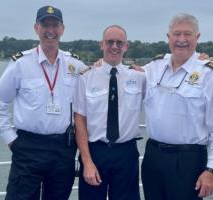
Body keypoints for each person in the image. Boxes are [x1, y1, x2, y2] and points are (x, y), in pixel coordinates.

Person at [0, 5, 88, 200]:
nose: (50, 31)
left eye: (55, 25)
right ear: (36, 28)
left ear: (62, 29)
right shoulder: (21, 64)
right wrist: (11, 139)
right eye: (45, 25)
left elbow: (96, 83)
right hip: (28, 148)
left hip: (63, 148)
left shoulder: (75, 65)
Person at [141, 13, 213, 200]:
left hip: (188, 160)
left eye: (187, 34)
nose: (181, 40)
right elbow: (126, 75)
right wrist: (102, 64)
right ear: (168, 37)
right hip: (153, 156)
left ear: (197, 37)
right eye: (177, 34)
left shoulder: (210, 73)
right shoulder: (154, 67)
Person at [74, 25, 145, 200]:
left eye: (119, 43)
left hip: (126, 153)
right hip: (96, 152)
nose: (114, 46)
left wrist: (199, 57)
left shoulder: (140, 77)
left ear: (126, 46)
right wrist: (87, 161)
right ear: (102, 44)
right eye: (110, 42)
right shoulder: (85, 77)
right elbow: (79, 121)